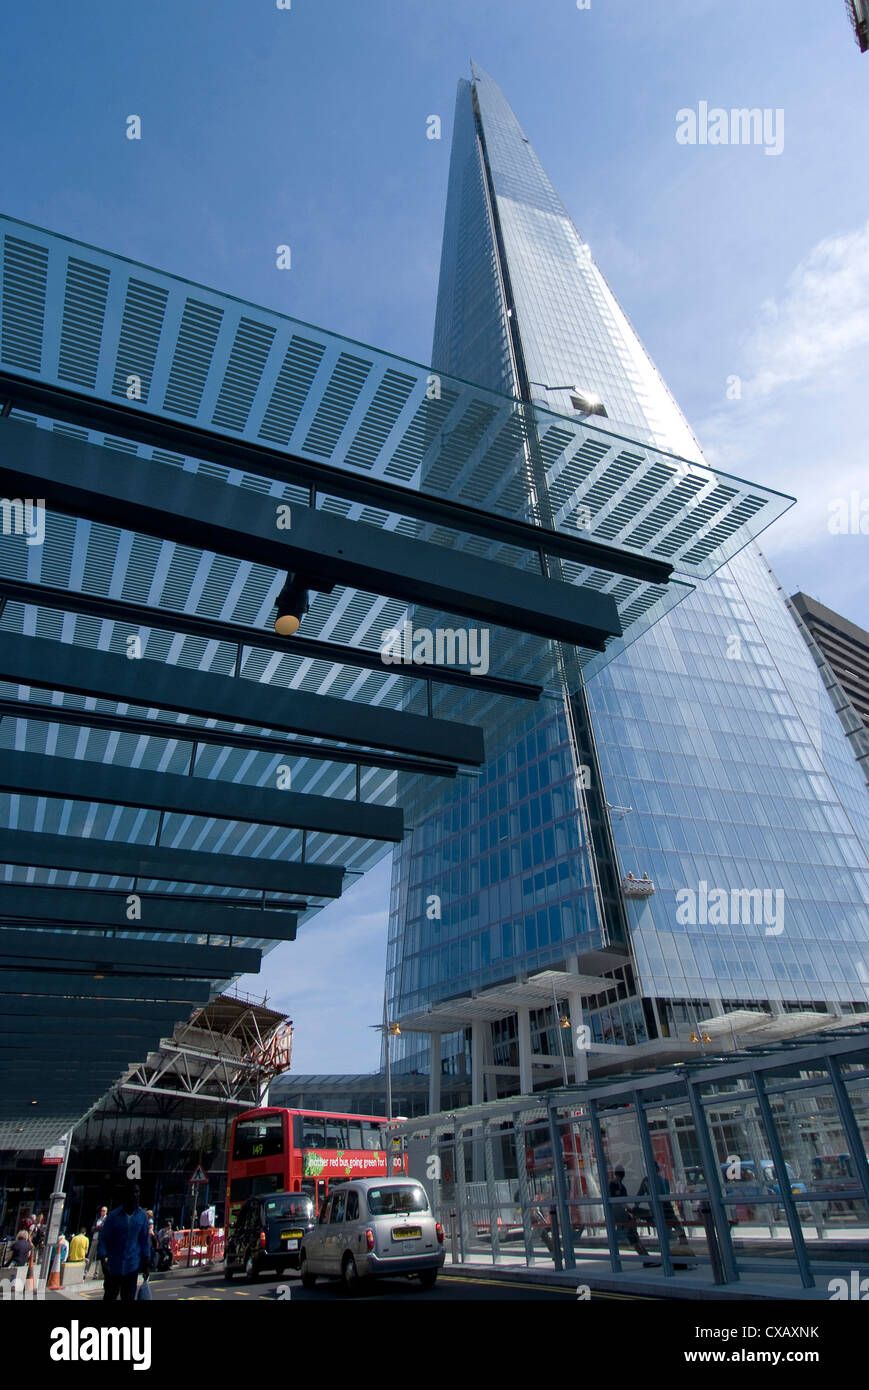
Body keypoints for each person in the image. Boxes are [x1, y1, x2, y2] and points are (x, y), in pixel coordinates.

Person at [97, 1183, 151, 1303]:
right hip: (113, 1266)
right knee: (110, 1296)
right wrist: (102, 1258)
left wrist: (146, 1262)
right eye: (132, 1192)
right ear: (125, 1195)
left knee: (128, 1297)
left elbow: (144, 1241)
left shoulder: (142, 1216)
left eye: (137, 1192)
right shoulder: (113, 1216)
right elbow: (104, 1238)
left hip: (132, 1266)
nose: (135, 1195)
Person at [636, 1163, 691, 1248]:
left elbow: (639, 1195)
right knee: (675, 1225)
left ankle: (670, 1245)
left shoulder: (647, 1181)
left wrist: (636, 1206)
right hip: (666, 1207)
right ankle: (680, 1242)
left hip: (659, 1208)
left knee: (667, 1227)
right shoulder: (663, 1180)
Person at [608, 1166, 648, 1256]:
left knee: (632, 1233)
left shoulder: (618, 1186)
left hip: (620, 1214)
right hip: (619, 1214)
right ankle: (643, 1254)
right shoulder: (614, 1186)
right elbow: (619, 1202)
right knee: (632, 1233)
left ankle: (643, 1254)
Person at [5, 1229, 33, 1296]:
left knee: (8, 1269)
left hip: (15, 1262)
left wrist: (6, 1264)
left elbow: (10, 1256)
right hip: (23, 1263)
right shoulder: (29, 1245)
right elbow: (28, 1255)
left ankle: (10, 1284)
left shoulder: (15, 1244)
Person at [86, 1206, 108, 1279]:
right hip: (94, 1239)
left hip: (101, 1240)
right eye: (102, 1210)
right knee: (90, 1256)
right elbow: (92, 1229)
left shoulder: (107, 1219)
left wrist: (97, 1228)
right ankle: (85, 1272)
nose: (102, 1212)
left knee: (99, 1258)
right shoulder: (97, 1219)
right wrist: (97, 1228)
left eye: (104, 1211)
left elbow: (103, 1228)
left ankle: (96, 1274)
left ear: (106, 1212)